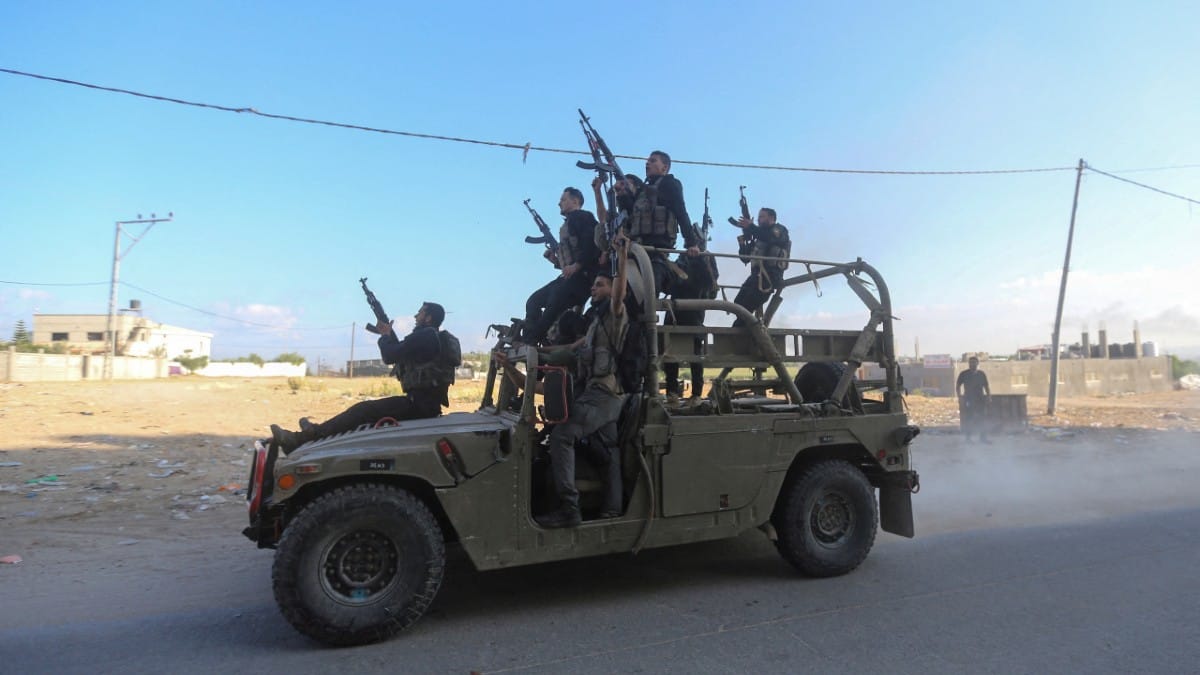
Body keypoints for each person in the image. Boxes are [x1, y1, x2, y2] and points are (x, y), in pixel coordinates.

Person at [537, 240, 636, 528]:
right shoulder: (595, 324)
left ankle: (570, 509)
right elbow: (571, 347)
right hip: (599, 394)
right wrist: (533, 351)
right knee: (608, 451)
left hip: (603, 395)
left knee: (561, 436)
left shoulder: (616, 315)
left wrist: (620, 255)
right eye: (593, 285)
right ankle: (612, 509)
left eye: (600, 285)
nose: (594, 288)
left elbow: (619, 295)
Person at [270, 302, 456, 453]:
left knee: (362, 411)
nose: (415, 317)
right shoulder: (431, 337)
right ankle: (315, 433)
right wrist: (388, 333)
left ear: (429, 317)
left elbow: (390, 355)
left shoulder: (426, 335)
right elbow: (400, 351)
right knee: (364, 414)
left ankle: (300, 439)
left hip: (419, 406)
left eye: (420, 313)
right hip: (424, 404)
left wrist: (384, 335)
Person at [522, 188, 601, 345]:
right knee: (533, 301)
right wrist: (556, 261)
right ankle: (537, 339)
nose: (559, 203)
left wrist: (577, 265)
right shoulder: (569, 223)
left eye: (563, 199)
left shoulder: (583, 217)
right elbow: (570, 261)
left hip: (582, 279)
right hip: (569, 278)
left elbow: (591, 247)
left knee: (553, 304)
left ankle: (531, 341)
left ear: (575, 201)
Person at [625, 151, 700, 296]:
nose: (648, 163)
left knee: (649, 293)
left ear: (664, 167)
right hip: (636, 249)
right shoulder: (642, 191)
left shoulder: (669, 184)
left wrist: (691, 242)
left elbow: (680, 211)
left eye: (653, 161)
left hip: (657, 250)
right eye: (647, 161)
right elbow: (631, 216)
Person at [730, 207, 790, 327]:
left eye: (762, 216)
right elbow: (745, 258)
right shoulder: (758, 236)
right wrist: (743, 242)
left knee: (745, 310)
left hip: (769, 278)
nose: (758, 219)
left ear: (771, 218)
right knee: (738, 304)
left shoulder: (779, 230)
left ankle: (747, 336)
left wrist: (751, 227)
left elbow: (769, 237)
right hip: (756, 277)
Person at [956, 356, 992, 443]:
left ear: (977, 363)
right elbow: (958, 386)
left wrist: (988, 396)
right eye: (970, 362)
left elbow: (986, 386)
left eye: (974, 362)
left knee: (982, 418)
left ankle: (983, 438)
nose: (972, 364)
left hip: (980, 399)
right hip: (968, 399)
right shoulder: (964, 374)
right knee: (969, 419)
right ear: (968, 364)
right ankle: (968, 438)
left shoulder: (981, 374)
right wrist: (959, 397)